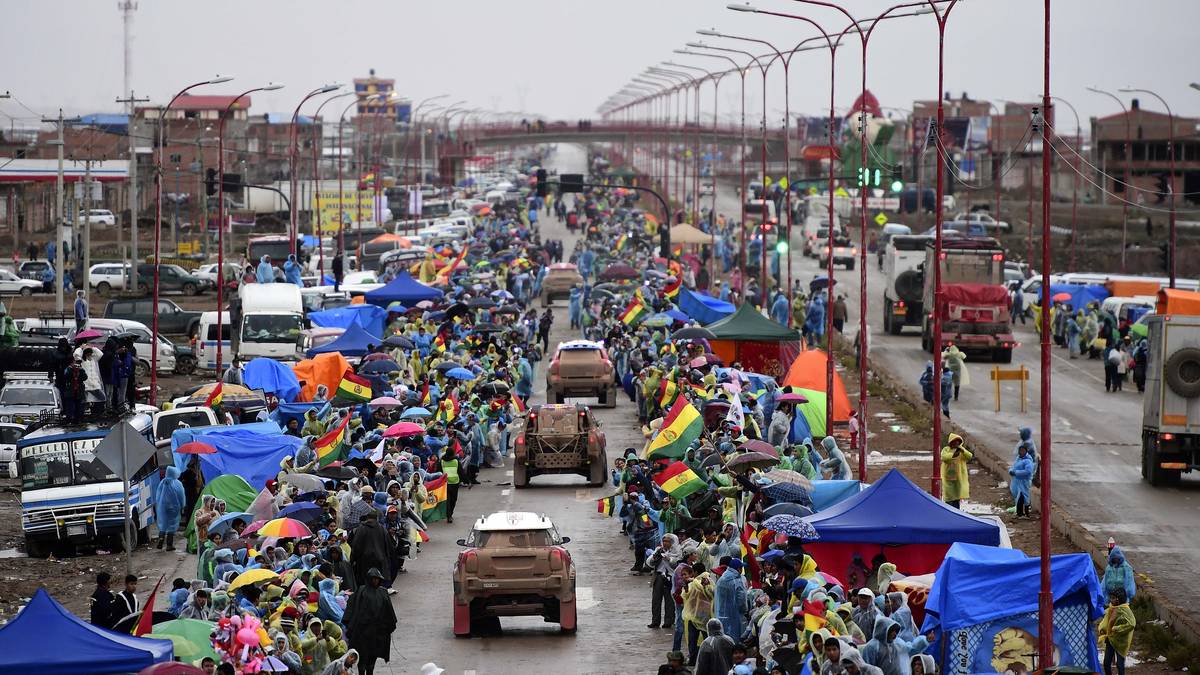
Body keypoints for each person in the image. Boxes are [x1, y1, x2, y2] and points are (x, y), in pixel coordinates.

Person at [343, 568, 396, 675]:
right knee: (362, 661)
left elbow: (389, 611)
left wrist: (388, 626)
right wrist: (351, 625)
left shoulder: (383, 593)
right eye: (373, 579)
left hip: (377, 633)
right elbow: (352, 607)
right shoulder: (361, 591)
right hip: (362, 632)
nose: (375, 581)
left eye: (377, 579)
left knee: (372, 659)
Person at [1098, 588, 1135, 675]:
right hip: (1110, 639)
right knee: (1106, 663)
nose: (1111, 600)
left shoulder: (1125, 610)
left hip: (1121, 641)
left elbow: (1131, 624)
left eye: (1113, 598)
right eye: (1111, 598)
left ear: (1119, 599)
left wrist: (1116, 628)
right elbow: (1107, 620)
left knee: (1120, 664)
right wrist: (1103, 628)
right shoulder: (1112, 608)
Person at [349, 510, 390, 587]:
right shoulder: (382, 529)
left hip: (364, 561)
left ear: (367, 518)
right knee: (377, 582)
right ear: (376, 518)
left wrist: (352, 559)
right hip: (379, 560)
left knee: (365, 582)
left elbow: (356, 546)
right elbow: (387, 546)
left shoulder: (361, 528)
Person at [154, 466, 186, 550]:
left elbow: (157, 495)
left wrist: (158, 505)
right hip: (174, 507)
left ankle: (161, 540)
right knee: (172, 524)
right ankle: (169, 545)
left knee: (163, 524)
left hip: (162, 507)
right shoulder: (177, 483)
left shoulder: (162, 482)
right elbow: (181, 496)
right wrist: (183, 505)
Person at [714, 558, 747, 640]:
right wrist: (744, 611)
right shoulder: (737, 581)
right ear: (738, 569)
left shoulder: (721, 579)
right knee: (733, 641)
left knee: (722, 640)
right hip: (734, 616)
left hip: (720, 615)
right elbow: (742, 600)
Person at [940, 434, 972, 509]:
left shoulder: (961, 450)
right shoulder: (946, 449)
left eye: (958, 442)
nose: (956, 444)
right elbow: (944, 457)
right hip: (948, 476)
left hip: (959, 477)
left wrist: (963, 451)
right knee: (949, 495)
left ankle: (956, 511)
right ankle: (948, 510)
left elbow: (969, 456)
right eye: (954, 442)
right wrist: (953, 455)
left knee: (957, 495)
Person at [1009, 443, 1034, 518]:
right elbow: (1013, 467)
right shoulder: (1018, 459)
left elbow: (1028, 472)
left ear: (1026, 451)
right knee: (1018, 497)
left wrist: (1016, 473)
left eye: (1023, 450)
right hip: (1016, 482)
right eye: (1020, 450)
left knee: (1022, 497)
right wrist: (1011, 471)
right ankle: (1020, 513)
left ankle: (1023, 513)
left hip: (1024, 482)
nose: (1021, 452)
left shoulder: (1028, 461)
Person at [439, 446, 460, 523]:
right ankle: (449, 515)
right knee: (452, 500)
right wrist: (468, 481)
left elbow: (438, 472)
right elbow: (461, 472)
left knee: (448, 500)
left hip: (446, 483)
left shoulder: (442, 461)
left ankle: (449, 515)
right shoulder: (456, 461)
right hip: (454, 483)